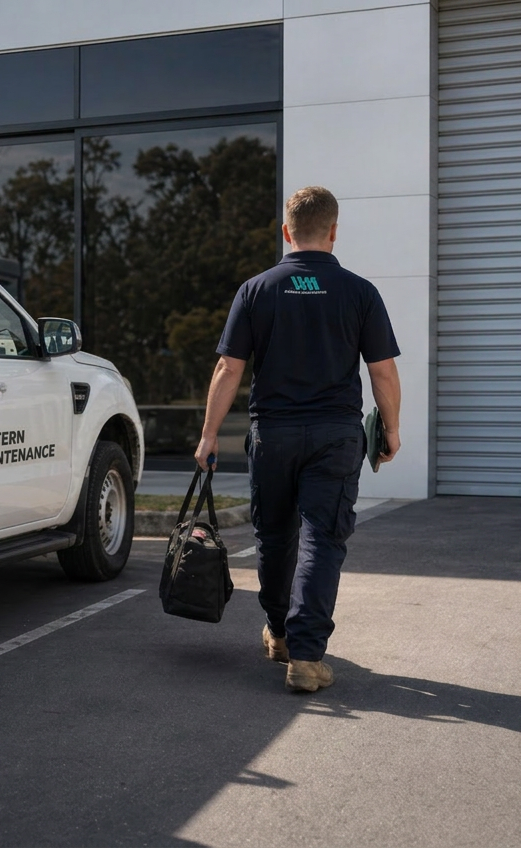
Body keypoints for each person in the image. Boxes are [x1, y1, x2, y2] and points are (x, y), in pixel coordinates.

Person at [193, 186, 402, 693]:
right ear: (333, 231)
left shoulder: (256, 289)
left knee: (274, 536)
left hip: (273, 435)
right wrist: (392, 430)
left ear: (286, 232)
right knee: (322, 540)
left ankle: (281, 635)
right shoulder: (360, 292)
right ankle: (306, 656)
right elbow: (382, 372)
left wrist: (209, 435)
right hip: (335, 436)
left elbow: (228, 368)